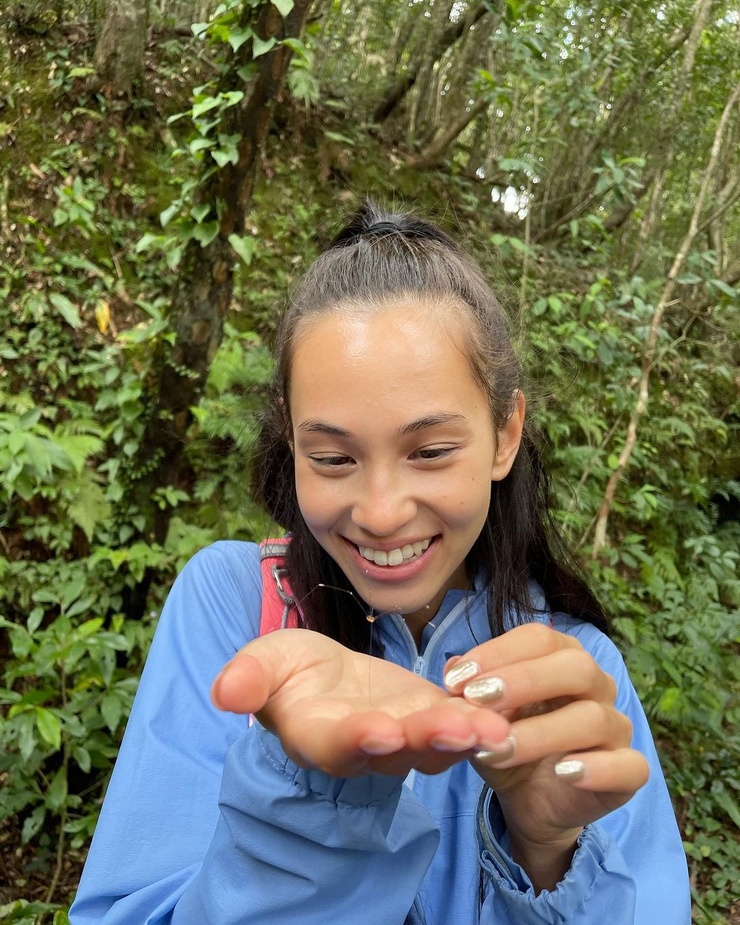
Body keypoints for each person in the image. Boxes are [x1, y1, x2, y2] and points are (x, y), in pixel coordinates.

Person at [69, 203, 690, 924]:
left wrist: (548, 848)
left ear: (504, 433)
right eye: (333, 458)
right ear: (291, 440)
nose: (382, 511)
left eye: (429, 452)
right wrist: (307, 801)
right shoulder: (232, 606)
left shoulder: (578, 672)